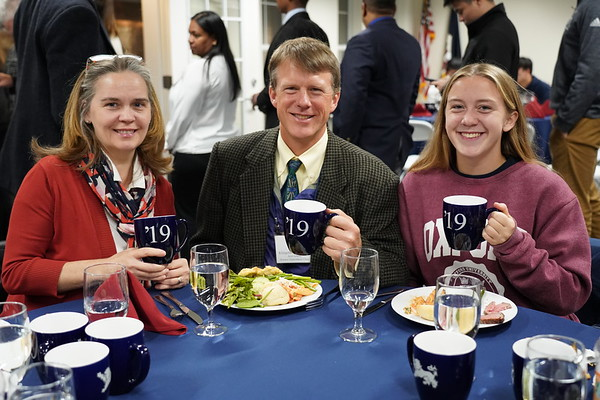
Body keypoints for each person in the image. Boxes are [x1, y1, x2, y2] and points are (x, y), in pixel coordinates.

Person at [193, 37, 407, 287]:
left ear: (335, 99)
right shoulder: (229, 158)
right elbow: (204, 249)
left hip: (328, 320)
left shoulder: (374, 176)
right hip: (246, 317)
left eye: (316, 90)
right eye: (291, 88)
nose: (303, 102)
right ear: (273, 94)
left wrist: (357, 256)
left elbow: (398, 270)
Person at [399, 63, 591, 320]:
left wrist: (515, 247)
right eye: (456, 107)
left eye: (484, 107)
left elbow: (571, 295)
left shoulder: (548, 189)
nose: (468, 119)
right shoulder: (416, 185)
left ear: (510, 119)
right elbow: (405, 280)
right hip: (444, 334)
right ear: (443, 115)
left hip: (526, 337)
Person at [2, 56, 190, 310]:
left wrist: (174, 272)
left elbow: (156, 265)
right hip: (65, 329)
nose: (127, 116)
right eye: (112, 104)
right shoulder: (48, 176)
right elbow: (16, 273)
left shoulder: (159, 187)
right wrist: (110, 268)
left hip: (142, 320)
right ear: (86, 111)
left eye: (138, 104)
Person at [0, 0, 115, 214]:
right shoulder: (75, 11)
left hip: (26, 159)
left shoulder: (32, 4)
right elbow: (71, 111)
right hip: (58, 168)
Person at [166, 11, 241, 244]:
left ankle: (191, 275)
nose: (190, 39)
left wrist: (167, 146)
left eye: (196, 35)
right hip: (221, 154)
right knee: (217, 221)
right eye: (189, 33)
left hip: (192, 156)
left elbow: (182, 115)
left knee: (188, 222)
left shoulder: (200, 68)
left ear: (214, 38)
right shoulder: (228, 67)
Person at [332, 0, 421, 172]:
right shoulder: (411, 44)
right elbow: (412, 95)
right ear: (393, 9)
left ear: (364, 8)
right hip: (399, 143)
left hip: (365, 147)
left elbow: (352, 98)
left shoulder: (362, 42)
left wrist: (343, 142)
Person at [549, 0, 600, 238]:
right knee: (587, 195)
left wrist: (567, 119)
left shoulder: (593, 5)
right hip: (581, 116)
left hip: (579, 118)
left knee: (574, 203)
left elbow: (592, 70)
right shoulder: (588, 5)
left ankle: (581, 272)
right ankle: (594, 267)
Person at [251, 0, 329, 129]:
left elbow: (280, 78)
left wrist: (260, 99)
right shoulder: (317, 30)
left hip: (288, 121)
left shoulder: (290, 31)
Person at [435, 0, 519, 90]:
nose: (460, 19)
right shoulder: (488, 29)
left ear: (478, 1)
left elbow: (487, 90)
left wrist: (449, 88)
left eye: (460, 11)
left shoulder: (495, 34)